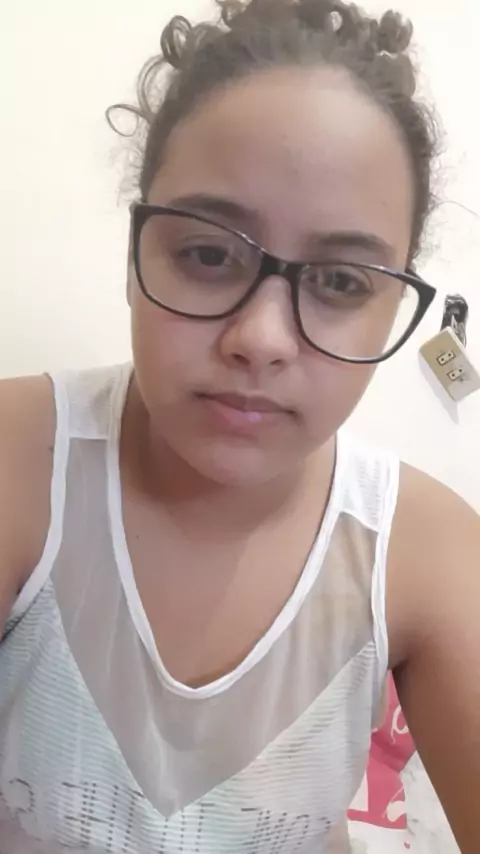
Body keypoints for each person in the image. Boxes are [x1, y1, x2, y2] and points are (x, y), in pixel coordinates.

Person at [0, 0, 479, 851]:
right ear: (135, 257)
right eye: (209, 254)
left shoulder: (427, 553)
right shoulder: (18, 463)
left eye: (340, 281)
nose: (260, 339)